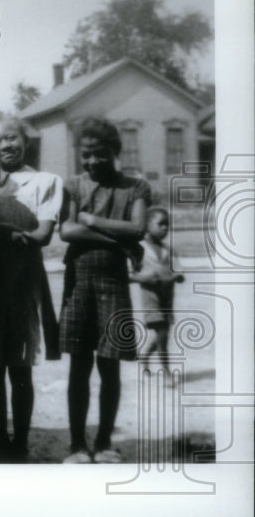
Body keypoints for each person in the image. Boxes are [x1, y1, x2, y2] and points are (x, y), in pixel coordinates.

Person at [58, 117, 150, 464]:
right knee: (78, 367)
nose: (92, 161)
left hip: (113, 283)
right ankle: (77, 445)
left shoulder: (135, 188)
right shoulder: (73, 185)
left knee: (109, 365)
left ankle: (105, 442)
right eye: (86, 154)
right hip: (78, 281)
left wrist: (93, 221)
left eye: (99, 154)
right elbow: (66, 231)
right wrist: (118, 242)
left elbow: (139, 227)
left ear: (115, 151)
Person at [0, 117, 64, 462]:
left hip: (22, 281)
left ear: (24, 140)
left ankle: (21, 440)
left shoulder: (44, 181)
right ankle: (1, 439)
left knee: (21, 364)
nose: (5, 146)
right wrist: (8, 229)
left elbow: (42, 234)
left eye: (11, 138)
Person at [129, 206, 184, 383]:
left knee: (163, 332)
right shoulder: (138, 249)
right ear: (146, 224)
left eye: (167, 225)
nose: (165, 228)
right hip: (150, 297)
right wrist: (142, 277)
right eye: (161, 224)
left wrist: (177, 275)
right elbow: (127, 275)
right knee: (162, 332)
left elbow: (178, 270)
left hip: (167, 297)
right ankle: (166, 372)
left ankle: (144, 357)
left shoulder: (168, 250)